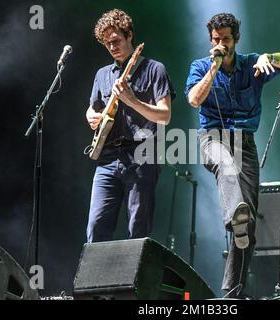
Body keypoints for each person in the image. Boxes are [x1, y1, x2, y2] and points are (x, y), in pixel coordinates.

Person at [185, 13, 280, 298]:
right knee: (225, 165)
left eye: (227, 39)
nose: (222, 43)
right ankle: (235, 212)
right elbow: (194, 99)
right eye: (217, 39)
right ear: (211, 40)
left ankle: (233, 292)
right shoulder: (200, 66)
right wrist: (213, 68)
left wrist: (270, 56)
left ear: (236, 39)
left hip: (245, 143)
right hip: (213, 139)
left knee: (246, 230)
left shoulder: (251, 64)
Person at [85, 9, 175, 243]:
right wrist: (91, 116)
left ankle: (135, 280)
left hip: (142, 155)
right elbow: (91, 108)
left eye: (116, 41)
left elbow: (165, 116)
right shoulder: (102, 74)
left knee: (138, 229)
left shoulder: (155, 69)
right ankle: (98, 279)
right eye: (107, 44)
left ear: (129, 36)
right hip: (107, 158)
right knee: (96, 226)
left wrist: (131, 100)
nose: (112, 47)